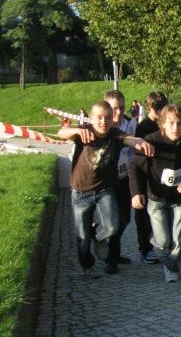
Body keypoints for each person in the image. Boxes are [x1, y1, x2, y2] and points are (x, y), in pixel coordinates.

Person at [58, 101, 153, 277]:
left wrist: (139, 141)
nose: (104, 122)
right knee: (82, 238)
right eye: (99, 118)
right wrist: (76, 131)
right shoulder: (84, 131)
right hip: (80, 192)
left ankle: (98, 235)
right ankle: (87, 267)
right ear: (91, 118)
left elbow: (127, 139)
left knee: (112, 227)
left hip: (104, 190)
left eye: (107, 117)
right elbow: (61, 133)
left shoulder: (114, 133)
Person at [129, 104, 181, 282]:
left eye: (180, 123)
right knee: (163, 242)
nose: (175, 127)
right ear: (162, 123)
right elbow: (134, 166)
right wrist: (136, 193)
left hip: (180, 197)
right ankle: (158, 244)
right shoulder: (151, 140)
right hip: (157, 197)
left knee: (179, 238)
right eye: (171, 123)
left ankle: (171, 266)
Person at [104, 89, 137, 273]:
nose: (118, 112)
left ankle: (114, 252)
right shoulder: (101, 125)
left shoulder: (130, 124)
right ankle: (110, 258)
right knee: (112, 220)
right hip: (106, 180)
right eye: (114, 108)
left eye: (122, 108)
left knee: (125, 218)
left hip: (125, 177)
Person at [134, 91, 168, 264]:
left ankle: (163, 245)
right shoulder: (143, 127)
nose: (160, 112)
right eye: (157, 109)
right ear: (149, 108)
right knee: (143, 216)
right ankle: (145, 249)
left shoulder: (166, 124)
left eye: (162, 108)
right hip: (146, 175)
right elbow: (138, 158)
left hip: (163, 175)